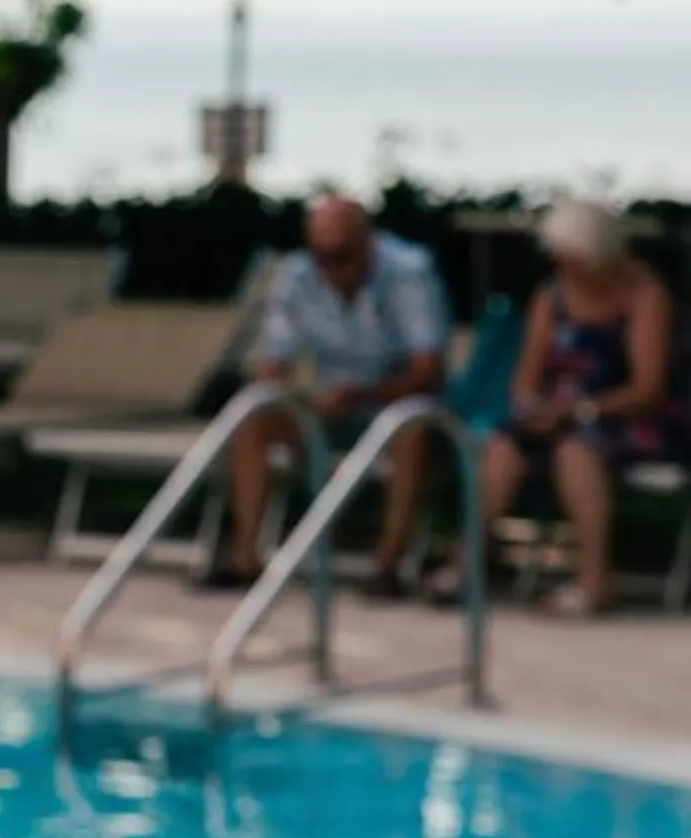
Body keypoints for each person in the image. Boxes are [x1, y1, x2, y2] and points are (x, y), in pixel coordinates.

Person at [459, 197, 683, 616]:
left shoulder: (646, 294)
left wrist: (579, 410)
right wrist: (531, 407)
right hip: (561, 416)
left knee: (577, 450)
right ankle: (464, 563)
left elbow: (646, 389)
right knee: (504, 445)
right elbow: (526, 375)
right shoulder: (553, 294)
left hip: (632, 419)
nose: (567, 269)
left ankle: (594, 583)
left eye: (575, 260)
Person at [218, 193, 450, 593]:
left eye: (340, 256)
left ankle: (388, 568)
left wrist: (361, 396)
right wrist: (288, 396)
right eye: (320, 256)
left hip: (392, 403)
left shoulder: (408, 271)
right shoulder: (298, 274)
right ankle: (245, 558)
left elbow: (428, 372)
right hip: (329, 406)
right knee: (255, 418)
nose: (329, 268)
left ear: (366, 242)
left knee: (410, 431)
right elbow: (273, 362)